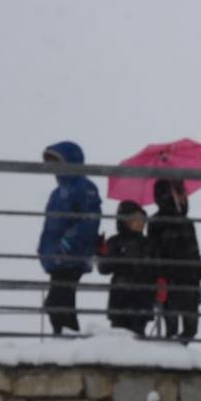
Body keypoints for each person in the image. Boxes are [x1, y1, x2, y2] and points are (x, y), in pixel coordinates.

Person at [37, 141, 101, 335]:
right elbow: (50, 226)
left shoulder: (83, 187)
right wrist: (44, 249)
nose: (53, 168)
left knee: (57, 302)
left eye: (57, 161)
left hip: (71, 256)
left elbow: (89, 220)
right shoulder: (57, 193)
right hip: (57, 257)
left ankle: (67, 339)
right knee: (62, 302)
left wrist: (67, 243)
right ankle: (66, 339)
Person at [147, 178, 201, 342]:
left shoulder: (187, 223)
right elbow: (154, 254)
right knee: (172, 329)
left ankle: (177, 355)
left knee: (191, 329)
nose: (185, 195)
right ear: (168, 195)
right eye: (180, 191)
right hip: (169, 284)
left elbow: (195, 254)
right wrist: (158, 279)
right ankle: (172, 359)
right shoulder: (156, 223)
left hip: (190, 283)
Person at [97, 200, 158, 335]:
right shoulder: (115, 241)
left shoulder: (148, 243)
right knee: (119, 340)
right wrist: (102, 253)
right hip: (120, 301)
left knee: (137, 339)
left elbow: (155, 269)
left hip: (142, 301)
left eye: (142, 218)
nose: (140, 222)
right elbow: (104, 268)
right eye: (135, 218)